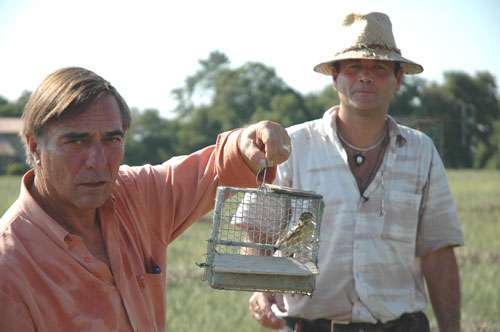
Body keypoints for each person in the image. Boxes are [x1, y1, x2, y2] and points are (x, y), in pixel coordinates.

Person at [0, 67, 290, 331]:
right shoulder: (9, 266)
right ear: (35, 147)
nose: (98, 160)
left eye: (112, 139)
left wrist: (249, 141)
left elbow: (215, 168)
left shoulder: (136, 195)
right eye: (77, 141)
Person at [246, 12, 464, 332]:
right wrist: (261, 287)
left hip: (401, 325)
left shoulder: (421, 151)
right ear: (335, 76)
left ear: (398, 79)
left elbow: (438, 251)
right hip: (310, 325)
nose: (366, 77)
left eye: (379, 68)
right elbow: (257, 227)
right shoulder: (294, 146)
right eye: (353, 67)